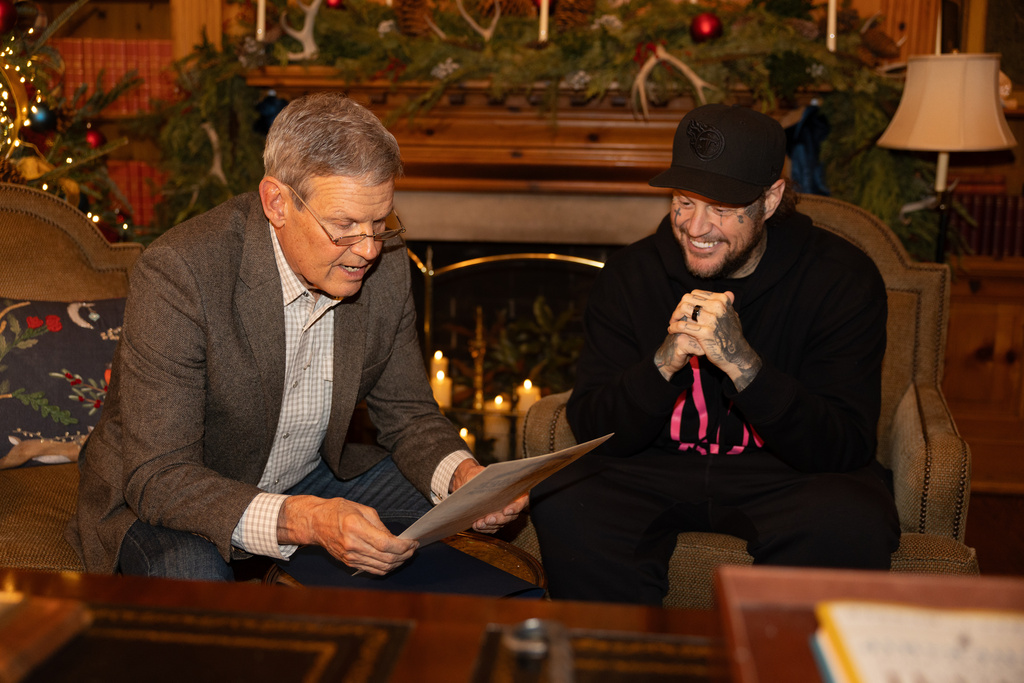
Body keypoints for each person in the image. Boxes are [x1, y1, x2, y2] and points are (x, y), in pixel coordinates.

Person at [67, 92, 524, 580]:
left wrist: (463, 478)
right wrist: (303, 519)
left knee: (457, 530)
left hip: (311, 475)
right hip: (172, 497)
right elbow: (160, 476)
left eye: (379, 221)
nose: (369, 249)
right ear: (277, 202)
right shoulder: (181, 273)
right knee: (198, 593)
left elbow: (409, 415)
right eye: (345, 225)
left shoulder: (386, 266)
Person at [529, 103, 901, 605]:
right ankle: (621, 658)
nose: (696, 227)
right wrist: (662, 364)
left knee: (848, 517)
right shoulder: (630, 275)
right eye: (683, 202)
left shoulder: (840, 280)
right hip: (652, 468)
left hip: (787, 475)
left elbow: (844, 446)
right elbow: (595, 425)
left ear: (770, 200)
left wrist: (746, 367)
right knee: (567, 497)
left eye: (721, 209)